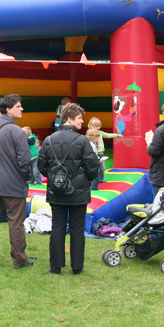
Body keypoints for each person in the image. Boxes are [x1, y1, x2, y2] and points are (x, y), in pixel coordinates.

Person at [38, 103, 100, 275]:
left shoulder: (49, 140)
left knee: (57, 227)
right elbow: (93, 167)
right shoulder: (82, 141)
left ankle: (56, 265)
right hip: (77, 192)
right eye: (79, 118)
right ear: (69, 119)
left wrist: (55, 178)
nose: (82, 121)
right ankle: (77, 266)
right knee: (77, 229)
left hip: (56, 191)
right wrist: (83, 179)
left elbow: (41, 165)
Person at [0, 94, 33, 269]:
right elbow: (24, 160)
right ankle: (19, 260)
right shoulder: (17, 131)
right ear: (8, 109)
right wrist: (25, 177)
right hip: (13, 185)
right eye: (19, 106)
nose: (21, 108)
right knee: (16, 222)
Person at [87, 117, 122, 190]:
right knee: (94, 169)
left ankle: (100, 179)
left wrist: (116, 135)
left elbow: (108, 135)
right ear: (91, 126)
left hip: (101, 153)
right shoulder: (90, 133)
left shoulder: (100, 133)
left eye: (99, 126)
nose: (98, 127)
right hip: (94, 154)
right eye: (97, 126)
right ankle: (92, 183)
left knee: (102, 168)